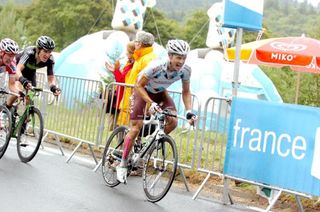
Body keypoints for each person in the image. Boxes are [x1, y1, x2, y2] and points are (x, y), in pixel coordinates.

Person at [116, 39, 197, 183]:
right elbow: (138, 86)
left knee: (173, 122)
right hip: (142, 92)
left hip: (161, 93)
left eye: (184, 58)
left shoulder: (186, 70)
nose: (181, 61)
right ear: (170, 56)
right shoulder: (156, 66)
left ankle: (149, 145)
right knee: (136, 127)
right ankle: (122, 164)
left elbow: (186, 92)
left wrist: (189, 111)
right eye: (178, 57)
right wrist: (151, 103)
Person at [117, 30, 156, 126]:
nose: (135, 44)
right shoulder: (140, 57)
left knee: (132, 131)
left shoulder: (147, 59)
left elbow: (147, 82)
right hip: (130, 100)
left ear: (140, 44)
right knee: (124, 131)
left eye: (136, 42)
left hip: (136, 100)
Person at [105, 41, 135, 114]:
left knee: (116, 123)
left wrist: (116, 70)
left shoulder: (133, 66)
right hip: (119, 97)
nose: (126, 53)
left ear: (132, 52)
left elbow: (122, 81)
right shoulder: (129, 64)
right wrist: (115, 70)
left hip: (122, 99)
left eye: (128, 51)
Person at [0, 38, 24, 108]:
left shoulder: (12, 64)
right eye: (10, 55)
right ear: (2, 52)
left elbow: (12, 85)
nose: (11, 59)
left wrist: (19, 93)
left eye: (13, 56)